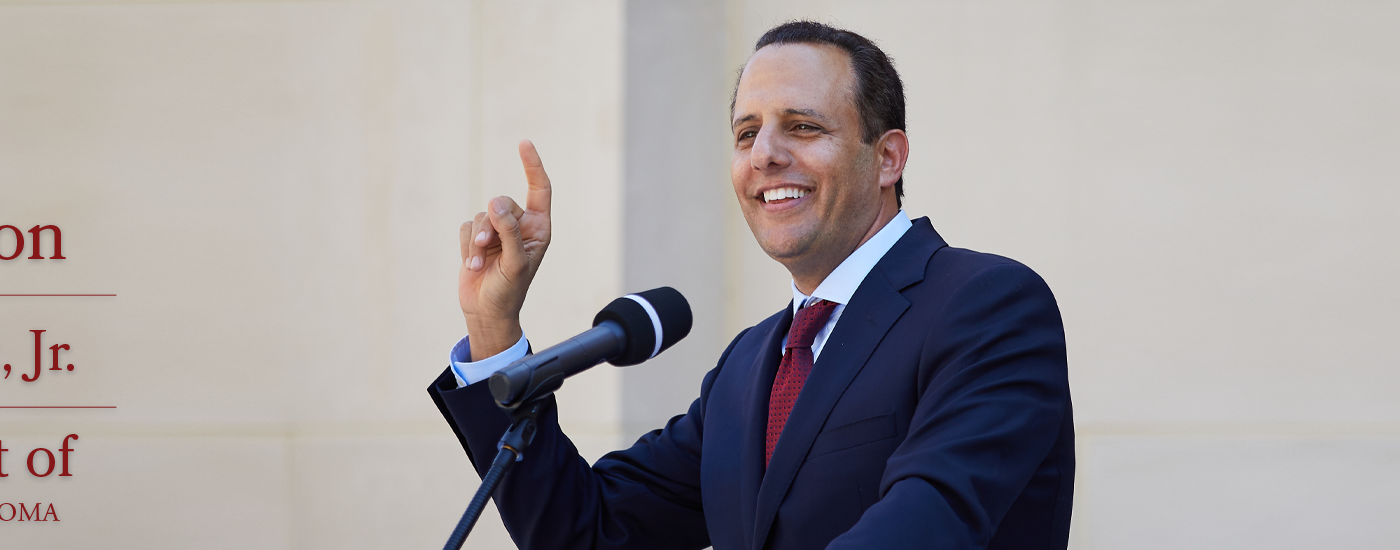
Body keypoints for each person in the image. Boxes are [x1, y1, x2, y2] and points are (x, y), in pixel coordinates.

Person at [429, 21, 1073, 550]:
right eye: (746, 133)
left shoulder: (988, 305)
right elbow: (588, 532)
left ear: (888, 158)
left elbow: (928, 524)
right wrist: (493, 329)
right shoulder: (748, 365)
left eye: (803, 126)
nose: (764, 154)